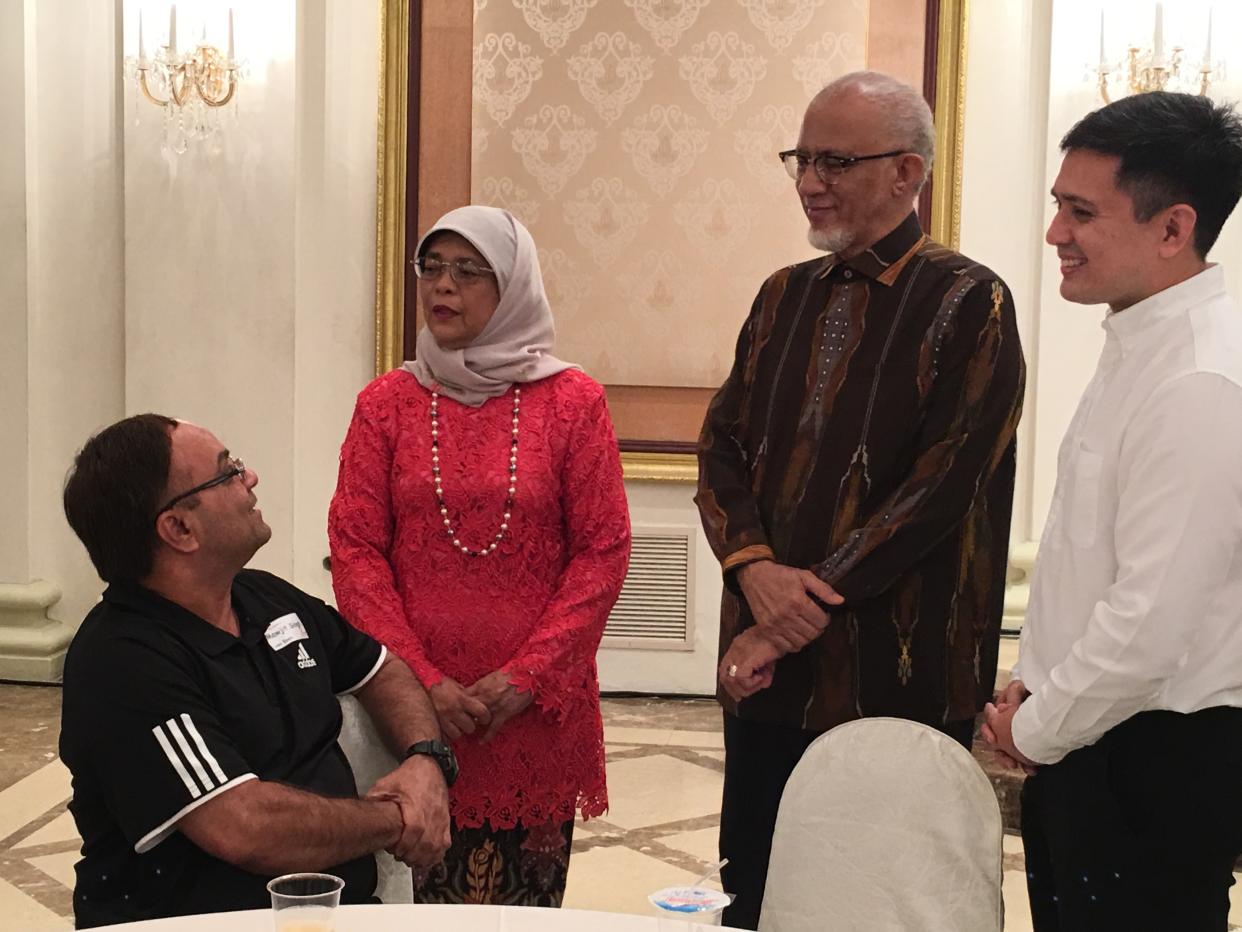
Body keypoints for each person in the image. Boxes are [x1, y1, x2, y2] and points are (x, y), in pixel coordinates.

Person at [695, 70, 1026, 929]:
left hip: (900, 667)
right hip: (771, 673)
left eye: (836, 161)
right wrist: (755, 569)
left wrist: (791, 609)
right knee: (759, 888)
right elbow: (722, 444)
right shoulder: (782, 296)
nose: (811, 181)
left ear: (907, 174)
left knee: (892, 896)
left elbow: (944, 486)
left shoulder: (970, 300)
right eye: (801, 158)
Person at [982, 91, 1242, 931]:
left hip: (1155, 760)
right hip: (1097, 738)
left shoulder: (1201, 377)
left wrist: (1038, 727)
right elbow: (1088, 562)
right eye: (1059, 204)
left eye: (1081, 211)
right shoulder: (1144, 338)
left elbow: (1151, 623)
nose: (1056, 233)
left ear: (1173, 228)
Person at [328, 205, 630, 907]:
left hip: (533, 714)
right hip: (413, 710)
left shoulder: (573, 402)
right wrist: (421, 682)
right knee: (415, 903)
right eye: (432, 268)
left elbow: (602, 551)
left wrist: (527, 676)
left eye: (469, 272)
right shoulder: (386, 404)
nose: (443, 287)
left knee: (525, 908)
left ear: (514, 286)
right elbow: (356, 551)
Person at [59, 414, 452, 929]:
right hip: (193, 921)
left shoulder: (263, 597)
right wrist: (399, 817)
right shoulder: (123, 660)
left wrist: (424, 761)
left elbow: (381, 669)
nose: (250, 478)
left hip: (334, 911)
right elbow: (245, 827)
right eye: (228, 472)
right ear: (179, 528)